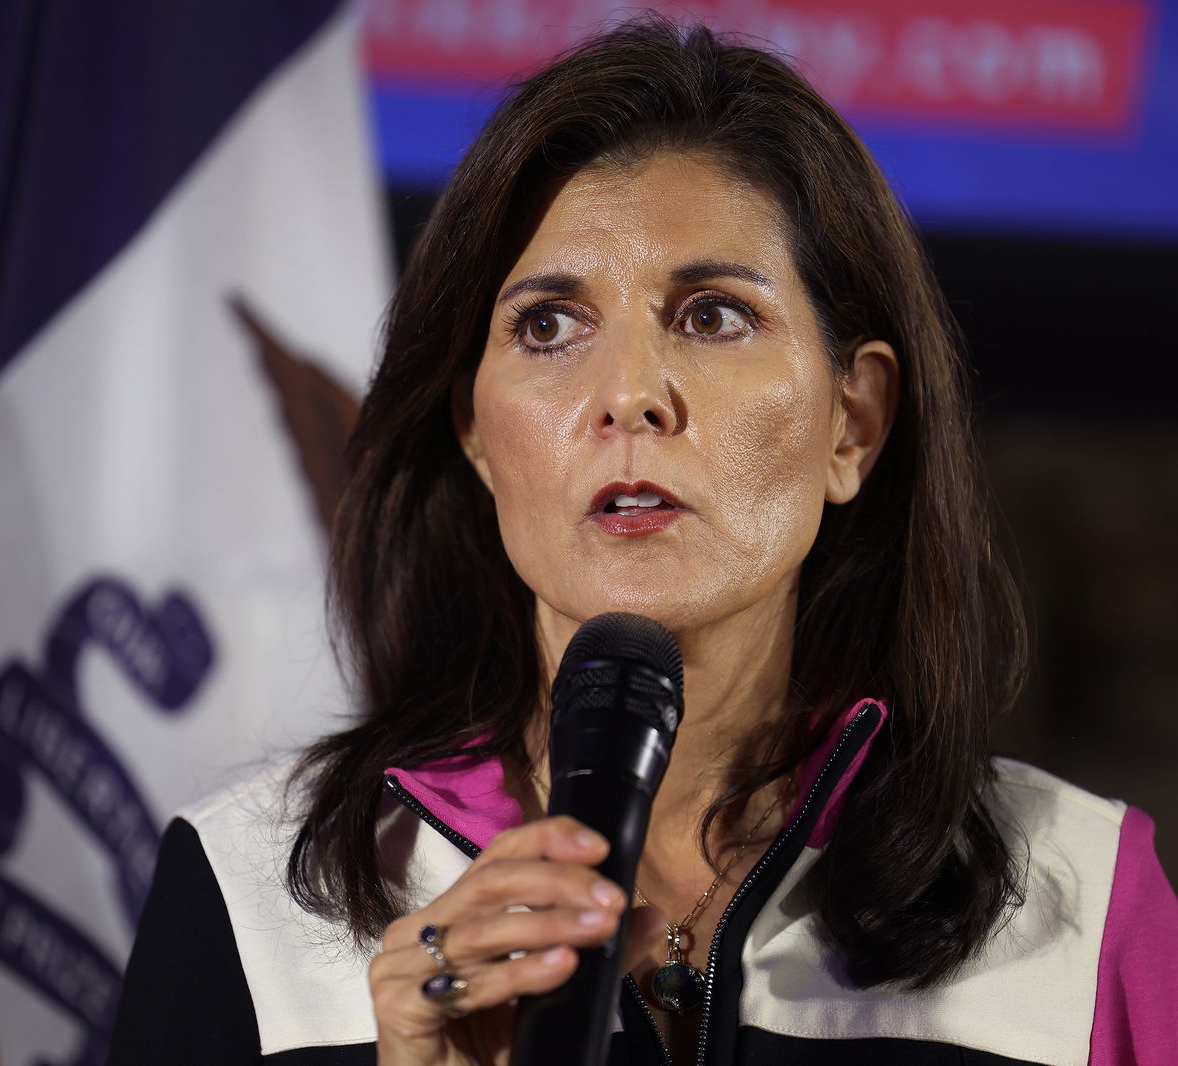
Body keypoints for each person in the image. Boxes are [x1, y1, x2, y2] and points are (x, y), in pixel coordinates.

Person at [107, 16, 1178, 1065]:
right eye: (548, 325)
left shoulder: (1075, 900)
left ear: (852, 422)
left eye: (711, 315)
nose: (626, 394)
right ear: (475, 432)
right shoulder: (247, 896)